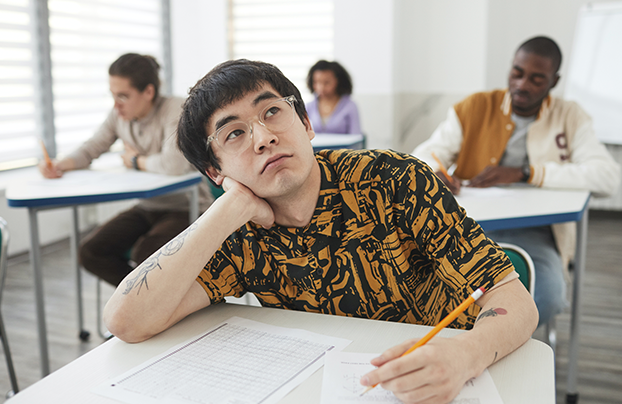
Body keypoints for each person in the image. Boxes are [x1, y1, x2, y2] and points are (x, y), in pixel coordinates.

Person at [104, 59, 537, 404]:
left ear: (306, 124)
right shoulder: (238, 232)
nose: (263, 137)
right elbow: (126, 320)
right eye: (234, 133)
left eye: (272, 111)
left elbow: (513, 300)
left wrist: (468, 354)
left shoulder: (394, 181)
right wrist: (228, 208)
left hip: (448, 378)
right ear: (215, 170)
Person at [412, 36, 620, 328]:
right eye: (517, 73)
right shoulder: (475, 107)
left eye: (536, 79)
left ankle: (490, 345)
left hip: (535, 232)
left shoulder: (569, 116)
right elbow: (423, 154)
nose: (522, 84)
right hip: (470, 225)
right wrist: (436, 172)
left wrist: (527, 173)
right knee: (429, 291)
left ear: (554, 81)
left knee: (546, 295)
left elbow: (607, 177)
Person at [38, 53, 213, 286]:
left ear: (148, 92)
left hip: (187, 207)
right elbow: (92, 147)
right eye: (112, 95)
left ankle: (150, 301)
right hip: (148, 206)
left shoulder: (176, 109)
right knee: (90, 252)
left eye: (123, 96)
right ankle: (142, 300)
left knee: (147, 257)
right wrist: (60, 165)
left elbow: (173, 165)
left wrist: (135, 160)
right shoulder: (119, 114)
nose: (115, 104)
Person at [305, 59, 362, 134]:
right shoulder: (308, 107)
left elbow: (356, 136)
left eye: (327, 83)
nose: (321, 88)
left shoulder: (350, 106)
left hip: (343, 146)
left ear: (338, 81)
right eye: (317, 82)